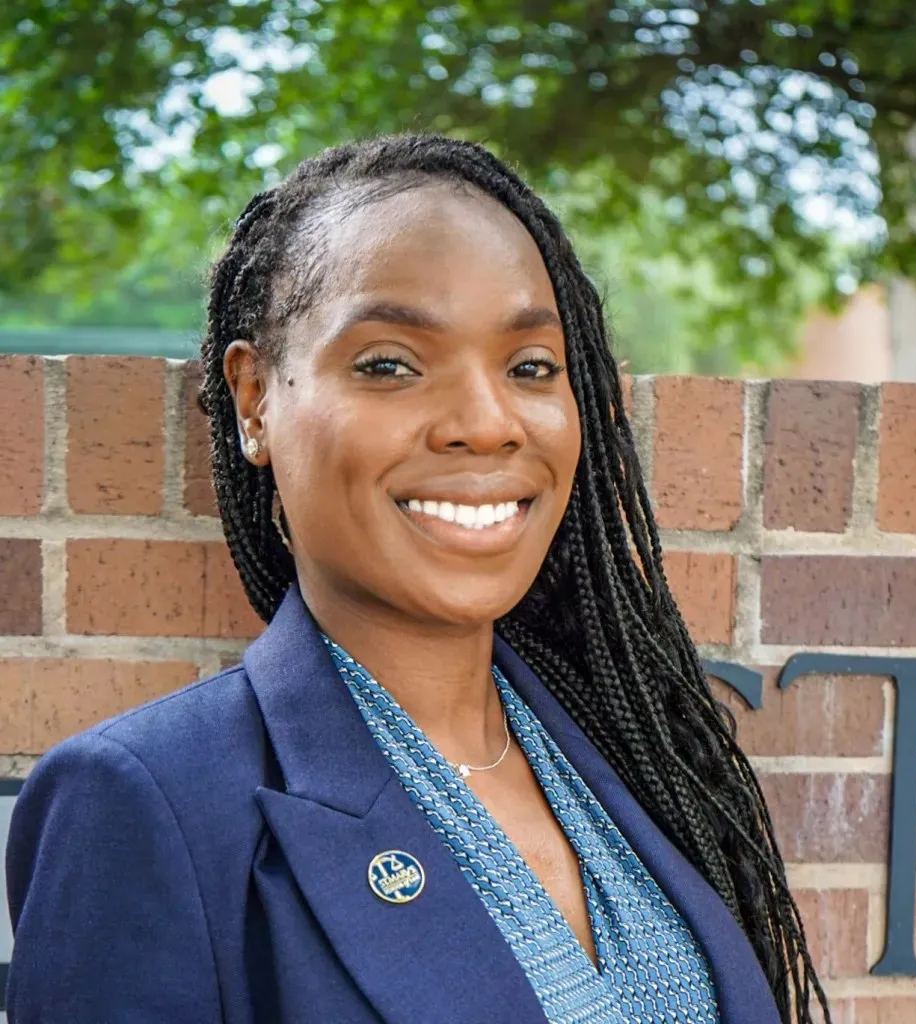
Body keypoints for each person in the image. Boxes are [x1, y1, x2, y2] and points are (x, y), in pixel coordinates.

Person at [5, 134, 830, 1024]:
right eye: (389, 365)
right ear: (254, 401)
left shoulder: (639, 764)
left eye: (530, 368)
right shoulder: (148, 804)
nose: (486, 423)